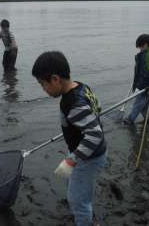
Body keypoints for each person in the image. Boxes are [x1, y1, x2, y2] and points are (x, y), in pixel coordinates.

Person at [32, 51, 106, 226]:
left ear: (56, 79)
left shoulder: (73, 103)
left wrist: (73, 159)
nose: (44, 90)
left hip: (88, 157)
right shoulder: (81, 86)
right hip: (85, 150)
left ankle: (84, 219)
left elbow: (95, 135)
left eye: (43, 85)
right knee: (77, 189)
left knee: (78, 200)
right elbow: (98, 109)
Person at [123, 34, 149, 125]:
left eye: (140, 46)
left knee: (137, 105)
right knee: (144, 106)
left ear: (146, 45)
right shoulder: (143, 55)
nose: (140, 49)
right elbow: (140, 71)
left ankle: (129, 121)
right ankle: (147, 120)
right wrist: (135, 83)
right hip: (146, 85)